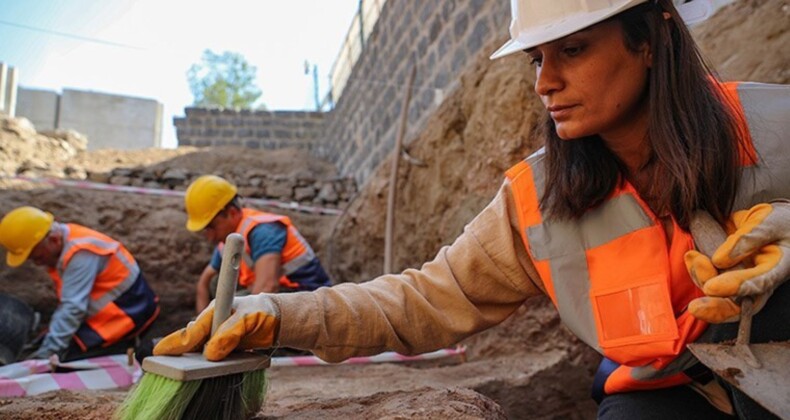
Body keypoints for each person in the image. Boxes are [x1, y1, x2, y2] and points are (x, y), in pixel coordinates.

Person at [156, 0, 790, 417]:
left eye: (571, 50)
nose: (544, 82)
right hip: (663, 397)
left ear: (650, 38)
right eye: (538, 58)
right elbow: (425, 299)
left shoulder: (776, 127)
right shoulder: (538, 201)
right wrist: (276, 314)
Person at [0, 206, 160, 362]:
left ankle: (131, 350)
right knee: (48, 343)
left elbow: (73, 308)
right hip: (112, 310)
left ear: (53, 240)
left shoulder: (80, 255)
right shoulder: (65, 240)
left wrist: (46, 356)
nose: (37, 263)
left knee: (64, 362)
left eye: (38, 257)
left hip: (129, 313)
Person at [184, 175, 332, 313]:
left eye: (211, 227)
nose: (209, 236)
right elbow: (204, 283)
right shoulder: (227, 242)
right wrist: (201, 326)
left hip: (310, 298)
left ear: (232, 213)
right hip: (276, 291)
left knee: (233, 306)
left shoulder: (263, 231)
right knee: (217, 284)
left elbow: (267, 287)